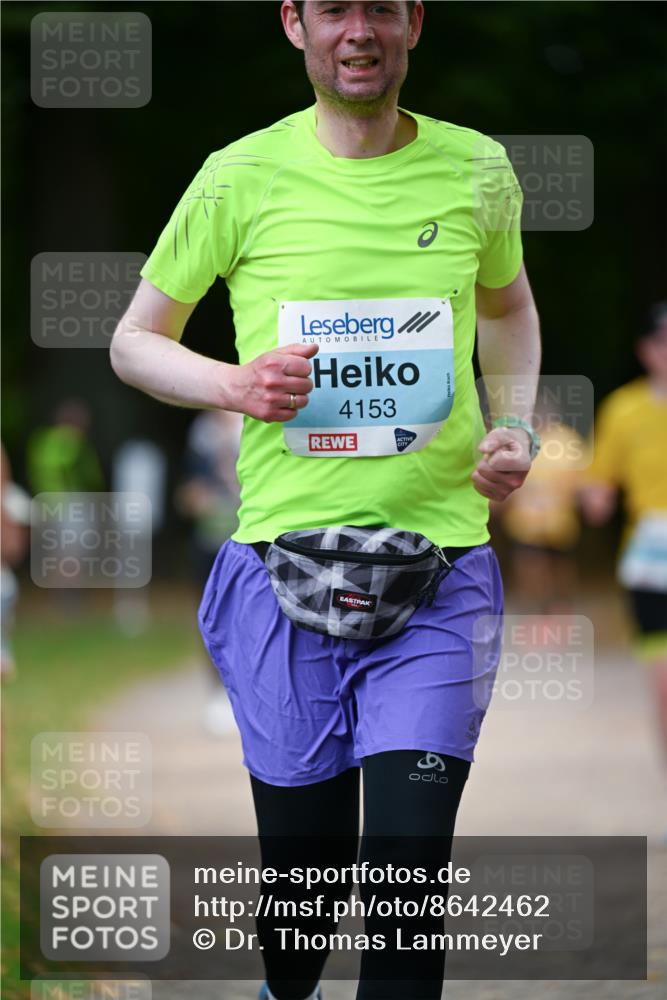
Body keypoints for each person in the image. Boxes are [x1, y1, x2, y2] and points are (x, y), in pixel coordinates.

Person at [110, 3, 541, 998]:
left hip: (439, 577)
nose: (360, 31)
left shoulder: (477, 168)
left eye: (380, 8)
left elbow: (508, 307)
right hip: (281, 576)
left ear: (414, 24)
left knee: (405, 882)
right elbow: (133, 340)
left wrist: (512, 423)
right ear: (294, 23)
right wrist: (234, 383)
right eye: (335, 8)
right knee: (302, 901)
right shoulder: (238, 174)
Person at [580, 302, 667, 761]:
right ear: (645, 350)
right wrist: (590, 495)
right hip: (652, 561)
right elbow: (599, 490)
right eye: (662, 341)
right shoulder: (624, 409)